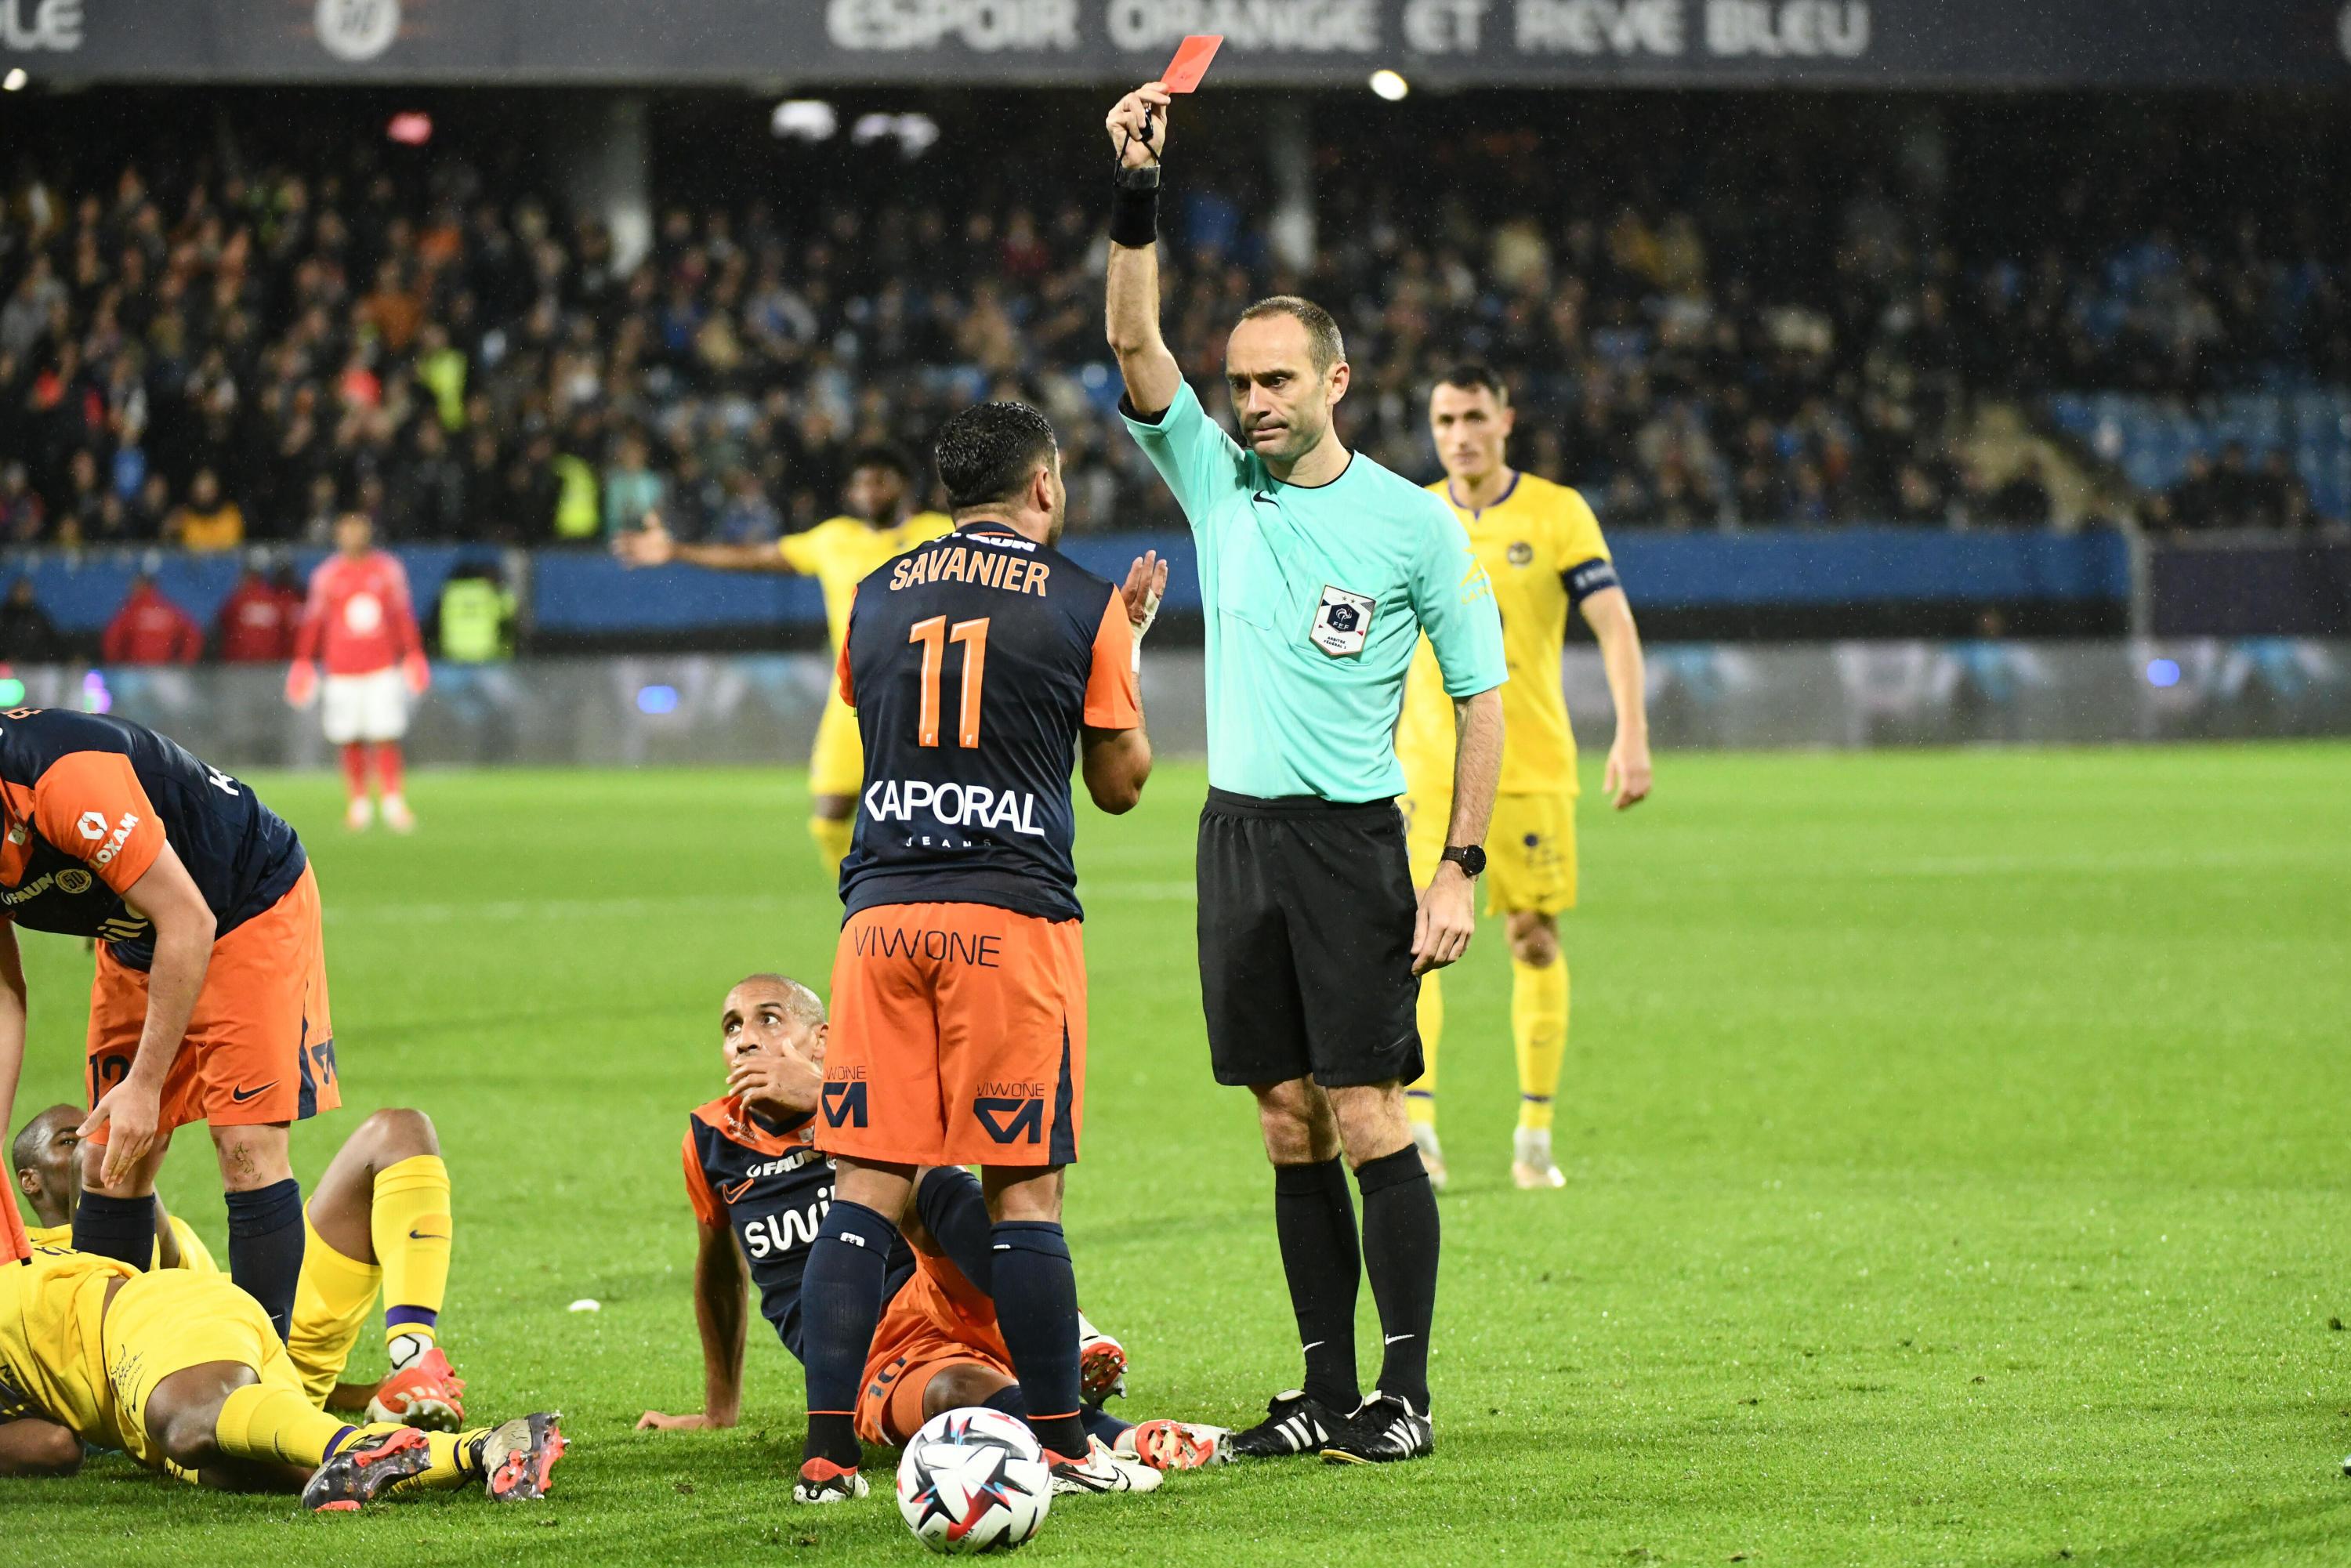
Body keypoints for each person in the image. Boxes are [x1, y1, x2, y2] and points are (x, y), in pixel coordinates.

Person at [1103, 81, 1507, 1466]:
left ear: (1337, 381)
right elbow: (1129, 333)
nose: (1253, 402)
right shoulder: (1219, 484)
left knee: (1366, 1107)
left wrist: (1459, 866)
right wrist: (1140, 188)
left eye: (1278, 381)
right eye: (1242, 384)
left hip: (1350, 844)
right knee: (1284, 1123)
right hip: (1235, 838)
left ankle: (1408, 1394)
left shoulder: (1409, 526)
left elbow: (1483, 696)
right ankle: (1325, 1392)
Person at [790, 401, 1165, 1505]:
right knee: (1023, 1193)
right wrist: (1128, 645)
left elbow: (885, 730)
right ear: (1044, 487)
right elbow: (1121, 783)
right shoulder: (1083, 603)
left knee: (865, 1183)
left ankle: (823, 1458)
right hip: (1008, 920)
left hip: (881, 917)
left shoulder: (871, 599)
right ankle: (1058, 1440)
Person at [634, 973, 1223, 1474]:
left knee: (918, 1174)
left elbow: (949, 1179)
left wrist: (825, 1098)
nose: (745, 1040)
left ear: (822, 1041)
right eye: (732, 1027)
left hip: (951, 1286)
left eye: (769, 1019)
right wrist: (719, 1409)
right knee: (956, 1396)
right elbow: (718, 1270)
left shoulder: (866, 1091)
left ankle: (1071, 1332)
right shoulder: (711, 1140)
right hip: (872, 1356)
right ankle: (1124, 1439)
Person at [0, 706, 339, 1346]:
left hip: (242, 905)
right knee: (108, 1160)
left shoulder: (67, 780)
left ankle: (264, 1377)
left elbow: (190, 921)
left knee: (246, 1150)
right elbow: (2, 994)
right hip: (137, 932)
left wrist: (147, 1082)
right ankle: (110, 1388)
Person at [1396, 365, 1654, 1193]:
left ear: (1506, 419)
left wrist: (1632, 733)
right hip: (1428, 769)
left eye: (1474, 416)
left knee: (1533, 938)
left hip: (1531, 763)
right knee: (1413, 951)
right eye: (1445, 419)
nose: (1460, 434)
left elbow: (1613, 625)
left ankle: (1535, 1137)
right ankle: (1422, 1133)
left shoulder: (1558, 512)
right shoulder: (1413, 514)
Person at [0, 1242, 562, 1511]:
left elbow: (48, 1449)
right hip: (191, 1362)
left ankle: (351, 1444)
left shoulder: (27, 1249)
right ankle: (488, 1447)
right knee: (273, 1471)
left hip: (158, 1326)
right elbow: (52, 1447)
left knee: (186, 1425)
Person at [13, 1102, 466, 1428]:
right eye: (69, 1140)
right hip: (211, 1401)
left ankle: (413, 1361)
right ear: (28, 1180)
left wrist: (364, 1392)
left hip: (277, 1341)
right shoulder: (18, 1263)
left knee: (400, 1129)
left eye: (94, 1133)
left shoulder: (153, 1225)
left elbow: (138, 1216)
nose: (85, 1146)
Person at [614, 447, 952, 876]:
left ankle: (937, 900)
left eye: (881, 480)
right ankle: (857, 903)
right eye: (863, 482)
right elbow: (757, 557)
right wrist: (678, 551)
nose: (870, 490)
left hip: (928, 697)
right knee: (829, 816)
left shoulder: (941, 533)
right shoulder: (833, 539)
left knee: (935, 816)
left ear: (903, 486)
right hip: (855, 699)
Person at [287, 512, 430, 833]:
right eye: (347, 529)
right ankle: (359, 804)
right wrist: (303, 661)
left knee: (386, 734)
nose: (353, 535)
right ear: (338, 535)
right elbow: (314, 622)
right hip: (342, 670)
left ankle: (393, 802)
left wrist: (414, 654)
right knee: (348, 737)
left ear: (369, 532)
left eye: (359, 528)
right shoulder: (327, 575)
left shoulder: (387, 569)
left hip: (381, 667)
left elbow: (402, 615)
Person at [214, 553, 305, 664]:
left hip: (241, 665)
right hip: (268, 665)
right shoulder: (274, 599)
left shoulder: (240, 599)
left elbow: (221, 623)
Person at [100, 574, 203, 666]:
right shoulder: (168, 608)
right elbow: (193, 634)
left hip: (136, 673)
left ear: (142, 586)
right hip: (164, 672)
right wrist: (184, 662)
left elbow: (112, 639)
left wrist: (117, 665)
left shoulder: (131, 611)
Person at [0, 578, 65, 664]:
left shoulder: (38, 617)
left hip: (33, 667)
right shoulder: (3, 616)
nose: (23, 594)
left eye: (26, 591)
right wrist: (7, 656)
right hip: (6, 665)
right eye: (20, 591)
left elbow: (52, 641)